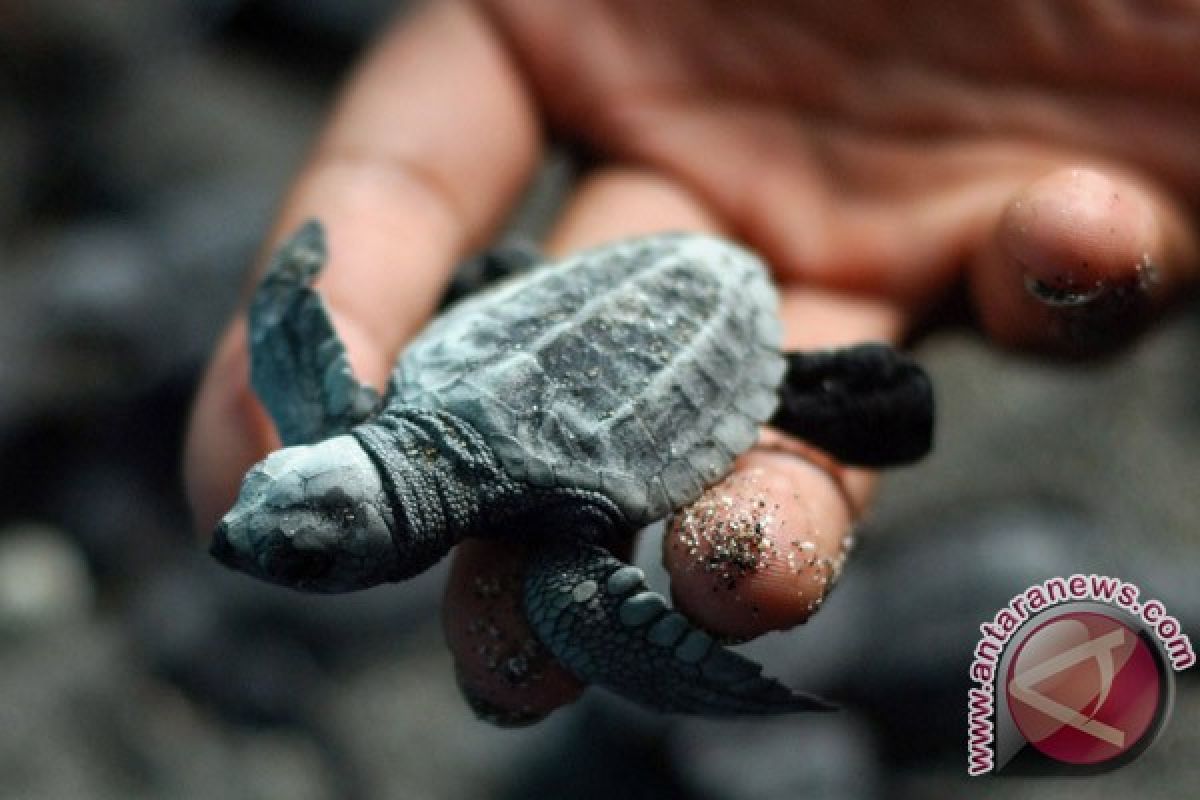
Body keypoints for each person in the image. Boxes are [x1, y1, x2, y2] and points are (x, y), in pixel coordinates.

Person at [184, 0, 1199, 723]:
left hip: (694, 309)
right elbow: (296, 339)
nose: (243, 533)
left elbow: (295, 334)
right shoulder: (418, 437)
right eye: (281, 515)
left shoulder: (550, 536)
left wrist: (294, 285)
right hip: (632, 277)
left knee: (610, 603)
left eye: (294, 531)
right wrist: (292, 286)